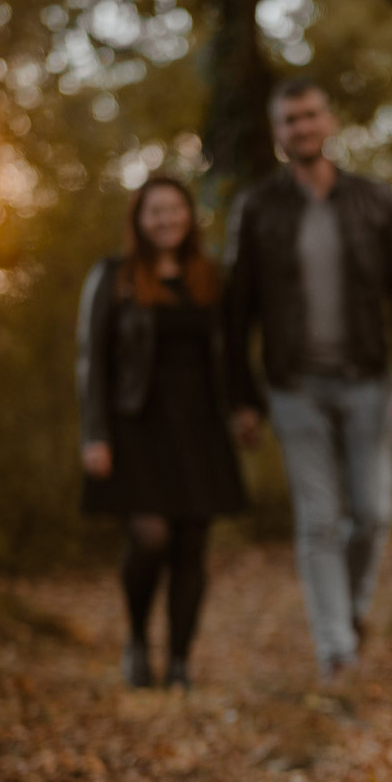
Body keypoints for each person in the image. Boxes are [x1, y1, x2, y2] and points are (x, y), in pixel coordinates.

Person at [224, 78, 392, 681]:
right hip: (294, 388)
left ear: (329, 121)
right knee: (317, 520)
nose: (301, 128)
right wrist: (242, 397)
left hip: (368, 379)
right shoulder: (257, 207)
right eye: (289, 120)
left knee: (370, 513)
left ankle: (352, 614)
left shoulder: (375, 199)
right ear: (277, 133)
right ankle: (336, 651)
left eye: (310, 116)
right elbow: (237, 314)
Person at [77, 176, 247, 689]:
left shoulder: (208, 278)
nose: (166, 219)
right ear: (139, 220)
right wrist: (94, 434)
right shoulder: (114, 276)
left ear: (188, 217)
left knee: (192, 545)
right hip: (135, 428)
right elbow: (93, 360)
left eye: (174, 210)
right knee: (150, 537)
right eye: (155, 211)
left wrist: (244, 407)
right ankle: (135, 640)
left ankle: (178, 663)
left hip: (200, 428)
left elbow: (233, 352)